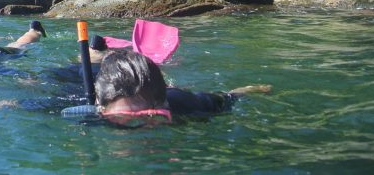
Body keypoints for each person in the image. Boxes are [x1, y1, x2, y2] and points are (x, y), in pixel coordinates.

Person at [94, 48, 271, 124]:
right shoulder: (90, 117)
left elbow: (228, 97)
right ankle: (97, 55)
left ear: (164, 107)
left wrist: (246, 91)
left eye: (152, 117)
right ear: (101, 109)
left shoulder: (186, 103)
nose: (139, 130)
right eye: (121, 118)